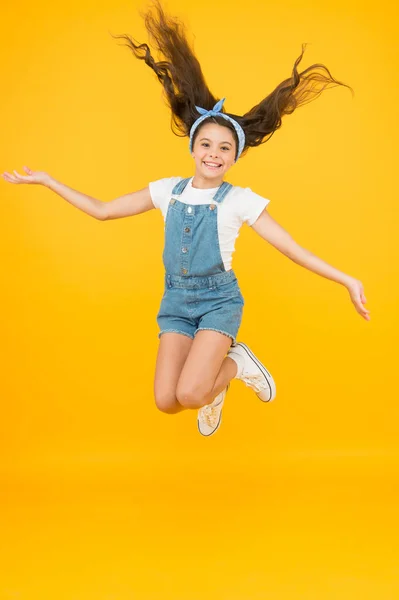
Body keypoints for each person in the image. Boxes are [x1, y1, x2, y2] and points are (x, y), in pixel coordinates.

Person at [2, 1, 370, 437]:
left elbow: (291, 249)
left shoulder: (240, 200)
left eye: (224, 149)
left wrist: (346, 279)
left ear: (234, 157)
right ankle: (215, 387)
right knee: (166, 401)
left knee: (192, 393)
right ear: (193, 149)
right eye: (207, 145)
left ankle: (236, 365)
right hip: (175, 303)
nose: (214, 154)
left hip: (218, 303)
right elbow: (102, 211)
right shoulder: (165, 191)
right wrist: (48, 181)